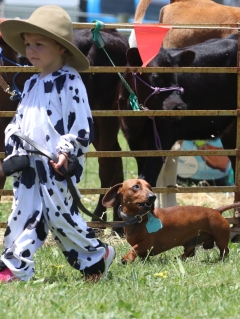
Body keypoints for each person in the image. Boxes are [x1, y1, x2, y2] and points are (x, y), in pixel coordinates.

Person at [0, 5, 115, 282]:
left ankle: (96, 255)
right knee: (22, 214)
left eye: (39, 44)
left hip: (56, 167)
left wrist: (67, 151)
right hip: (28, 166)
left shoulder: (70, 82)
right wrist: (12, 143)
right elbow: (20, 119)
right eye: (28, 44)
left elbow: (81, 125)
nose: (31, 50)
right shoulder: (30, 84)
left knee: (62, 220)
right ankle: (13, 268)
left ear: (62, 48)